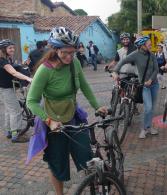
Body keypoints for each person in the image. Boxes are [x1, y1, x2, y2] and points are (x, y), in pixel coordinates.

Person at [26, 27, 107, 195]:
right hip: (53, 124)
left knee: (87, 158)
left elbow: (84, 86)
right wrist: (49, 121)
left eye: (73, 52)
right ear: (55, 50)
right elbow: (31, 102)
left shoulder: (74, 63)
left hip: (73, 119)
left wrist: (97, 106)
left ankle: (93, 188)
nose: (70, 56)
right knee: (58, 166)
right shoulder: (45, 70)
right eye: (65, 52)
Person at [112, 36, 159, 139]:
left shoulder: (152, 55)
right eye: (148, 44)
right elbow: (122, 62)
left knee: (152, 108)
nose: (150, 45)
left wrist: (151, 80)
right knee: (148, 108)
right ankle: (144, 129)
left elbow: (156, 70)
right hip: (144, 86)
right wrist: (115, 71)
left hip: (154, 84)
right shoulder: (135, 55)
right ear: (142, 46)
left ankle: (149, 127)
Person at [0, 39, 32, 142]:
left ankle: (9, 131)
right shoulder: (2, 60)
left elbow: (14, 68)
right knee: (16, 110)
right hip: (5, 89)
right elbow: (13, 72)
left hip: (6, 88)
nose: (12, 49)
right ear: (4, 49)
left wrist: (23, 65)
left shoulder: (7, 59)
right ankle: (16, 135)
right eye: (10, 48)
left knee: (9, 110)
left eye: (13, 47)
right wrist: (28, 78)